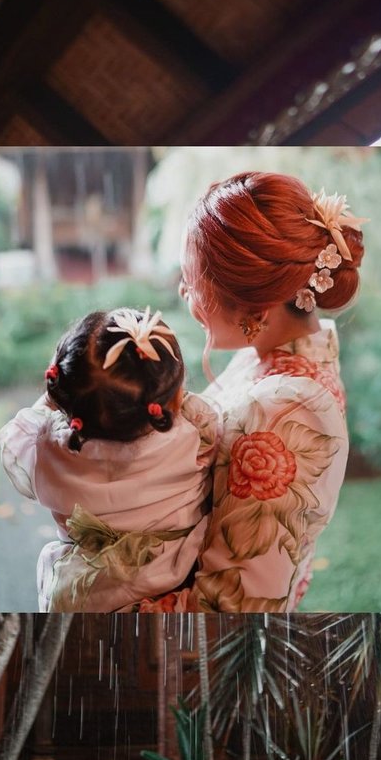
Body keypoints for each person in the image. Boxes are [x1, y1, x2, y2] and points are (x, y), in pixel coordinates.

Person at [141, 171, 366, 613]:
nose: (185, 293)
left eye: (192, 282)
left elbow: (235, 605)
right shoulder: (266, 356)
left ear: (257, 309)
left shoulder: (287, 409)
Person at [0, 307, 219, 612]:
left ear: (60, 391)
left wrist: (52, 398)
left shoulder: (44, 449)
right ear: (176, 398)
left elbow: (14, 436)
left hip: (91, 592)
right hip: (174, 575)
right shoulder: (195, 431)